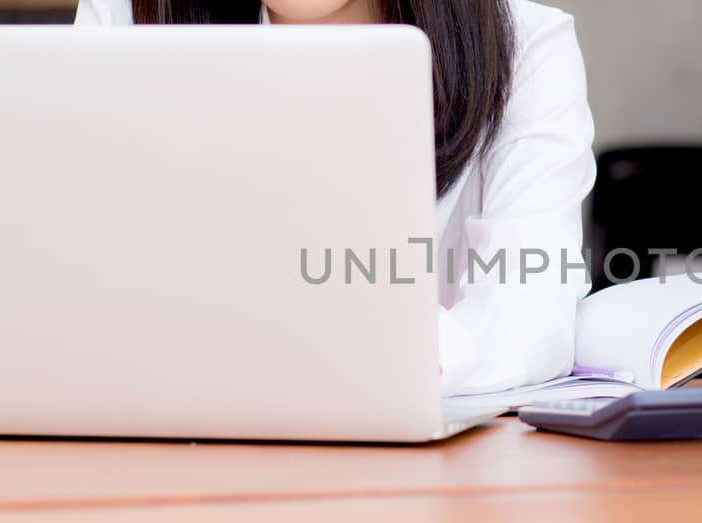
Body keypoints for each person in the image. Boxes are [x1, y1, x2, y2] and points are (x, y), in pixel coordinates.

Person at [74, 0, 596, 396]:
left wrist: (368, 354)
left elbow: (529, 317)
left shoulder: (525, 46)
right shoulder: (134, 16)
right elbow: (75, 284)